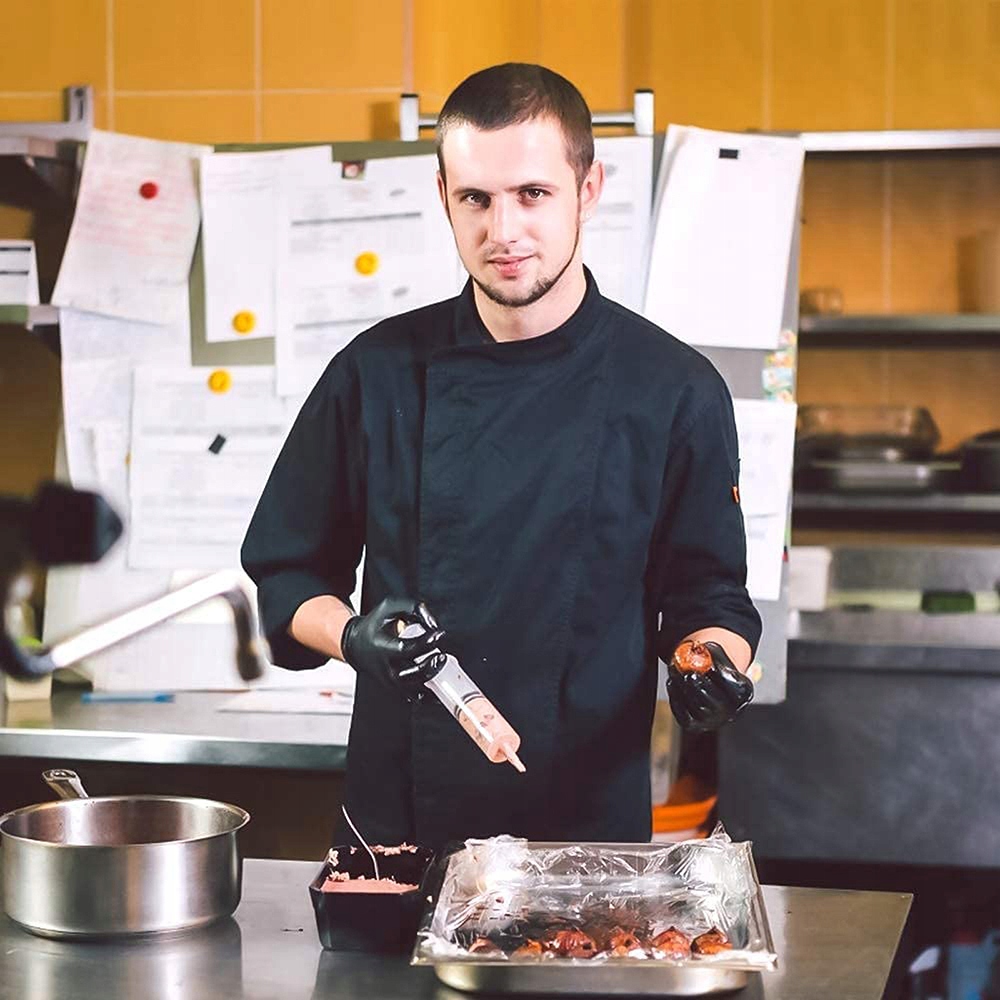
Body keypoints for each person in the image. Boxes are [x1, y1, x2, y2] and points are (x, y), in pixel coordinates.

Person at [242, 63, 761, 850]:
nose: (503, 231)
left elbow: (709, 596)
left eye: (533, 194)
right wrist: (352, 638)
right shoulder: (375, 372)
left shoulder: (673, 388)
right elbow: (287, 573)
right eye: (476, 199)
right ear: (443, 195)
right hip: (402, 820)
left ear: (588, 189)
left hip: (584, 827)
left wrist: (710, 664)